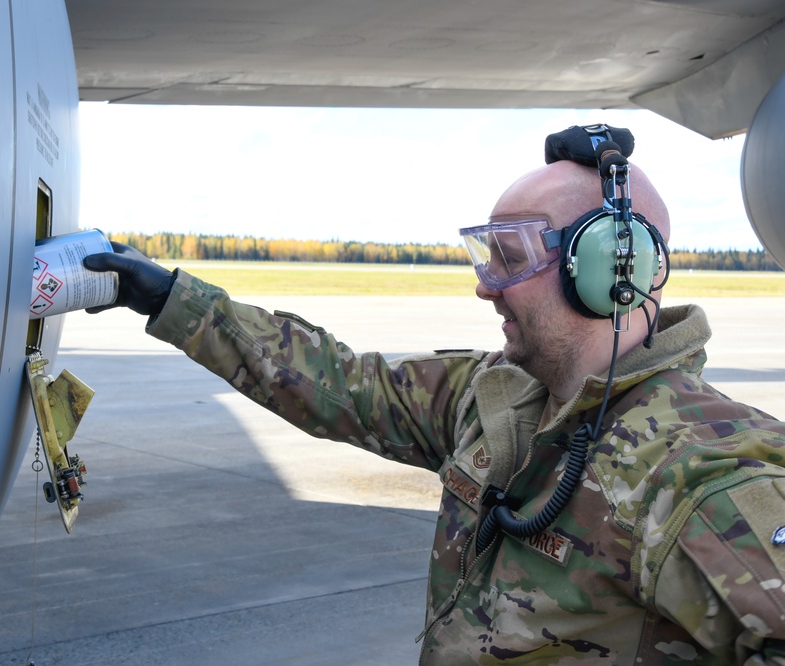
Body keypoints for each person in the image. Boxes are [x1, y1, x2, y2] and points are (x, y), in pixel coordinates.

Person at [82, 125, 785, 664]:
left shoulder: (701, 475)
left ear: (608, 271)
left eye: (508, 259)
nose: (485, 285)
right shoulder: (497, 398)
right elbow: (343, 384)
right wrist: (173, 300)